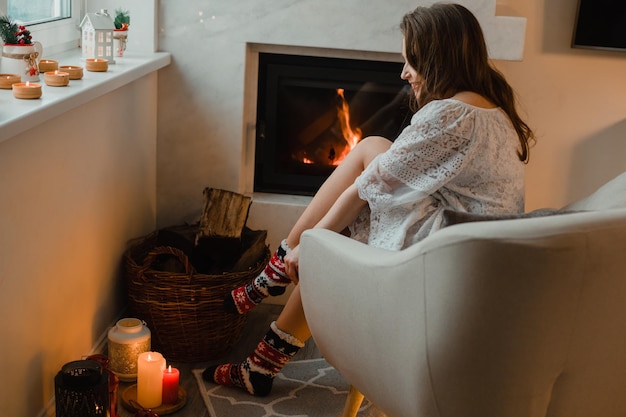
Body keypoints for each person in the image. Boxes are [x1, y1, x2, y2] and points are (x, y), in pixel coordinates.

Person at [204, 2, 534, 396]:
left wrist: (310, 244)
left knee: (341, 225)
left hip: (445, 258)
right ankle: (268, 328)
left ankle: (278, 275)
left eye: (410, 61)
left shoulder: (450, 115)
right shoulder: (493, 108)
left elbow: (369, 186)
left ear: (435, 59)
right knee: (370, 151)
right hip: (475, 252)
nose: (403, 73)